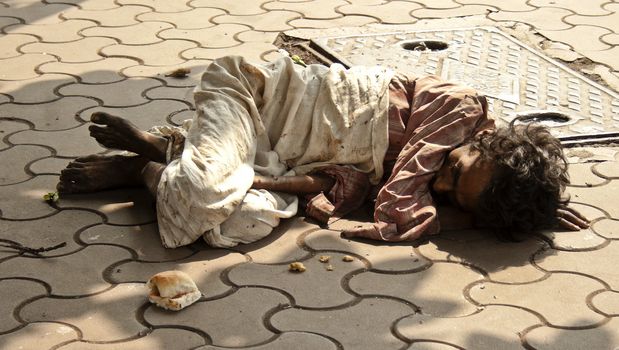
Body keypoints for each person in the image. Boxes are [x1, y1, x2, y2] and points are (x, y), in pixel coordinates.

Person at [57, 55, 588, 248]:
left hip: (268, 160)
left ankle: (159, 162)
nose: (441, 183)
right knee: (201, 193)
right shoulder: (459, 111)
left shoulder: (414, 183)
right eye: (456, 169)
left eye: (455, 196)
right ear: (489, 141)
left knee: (236, 224)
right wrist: (478, 219)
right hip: (249, 99)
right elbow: (402, 208)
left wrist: (511, 213)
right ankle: (160, 160)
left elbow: (343, 188)